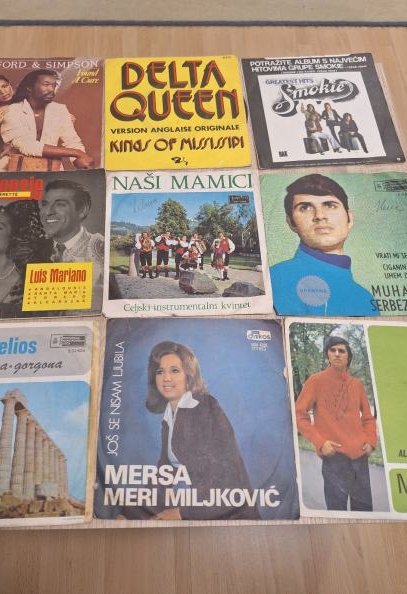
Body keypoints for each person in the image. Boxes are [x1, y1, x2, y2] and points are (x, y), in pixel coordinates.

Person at [141, 341, 259, 520]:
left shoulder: (205, 407)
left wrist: (182, 513)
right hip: (204, 510)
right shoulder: (169, 417)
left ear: (188, 375)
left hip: (233, 515)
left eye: (174, 370)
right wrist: (131, 512)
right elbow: (164, 474)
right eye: (160, 371)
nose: (166, 378)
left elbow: (228, 477)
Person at [269, 174, 379, 316]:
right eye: (305, 208)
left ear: (349, 218)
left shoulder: (365, 298)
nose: (320, 216)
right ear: (291, 222)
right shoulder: (273, 279)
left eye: (330, 205)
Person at [295, 335, 377, 512]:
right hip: (334, 458)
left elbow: (368, 418)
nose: (337, 354)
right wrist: (320, 442)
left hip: (360, 458)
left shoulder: (357, 385)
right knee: (336, 510)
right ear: (328, 355)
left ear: (348, 356)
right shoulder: (315, 381)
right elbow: (299, 414)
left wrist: (371, 441)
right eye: (332, 350)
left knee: (364, 510)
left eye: (341, 351)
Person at [0, 69, 93, 169]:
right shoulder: (11, 110)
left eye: (54, 85)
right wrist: (77, 153)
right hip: (16, 169)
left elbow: (72, 141)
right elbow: (26, 145)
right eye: (46, 84)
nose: (51, 89)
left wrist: (80, 161)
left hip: (52, 169)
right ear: (29, 88)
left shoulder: (60, 109)